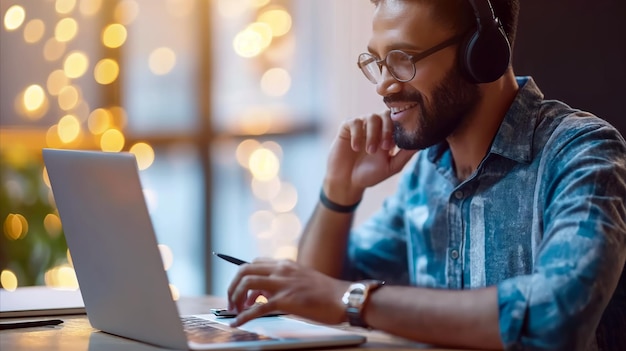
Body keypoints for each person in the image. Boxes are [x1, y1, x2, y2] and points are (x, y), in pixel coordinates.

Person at [226, 0, 626, 349]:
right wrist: (339, 192)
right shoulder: (426, 175)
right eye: (377, 62)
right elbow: (316, 293)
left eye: (403, 59)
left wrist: (354, 300)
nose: (383, 85)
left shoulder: (582, 153)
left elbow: (556, 317)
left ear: (482, 54)